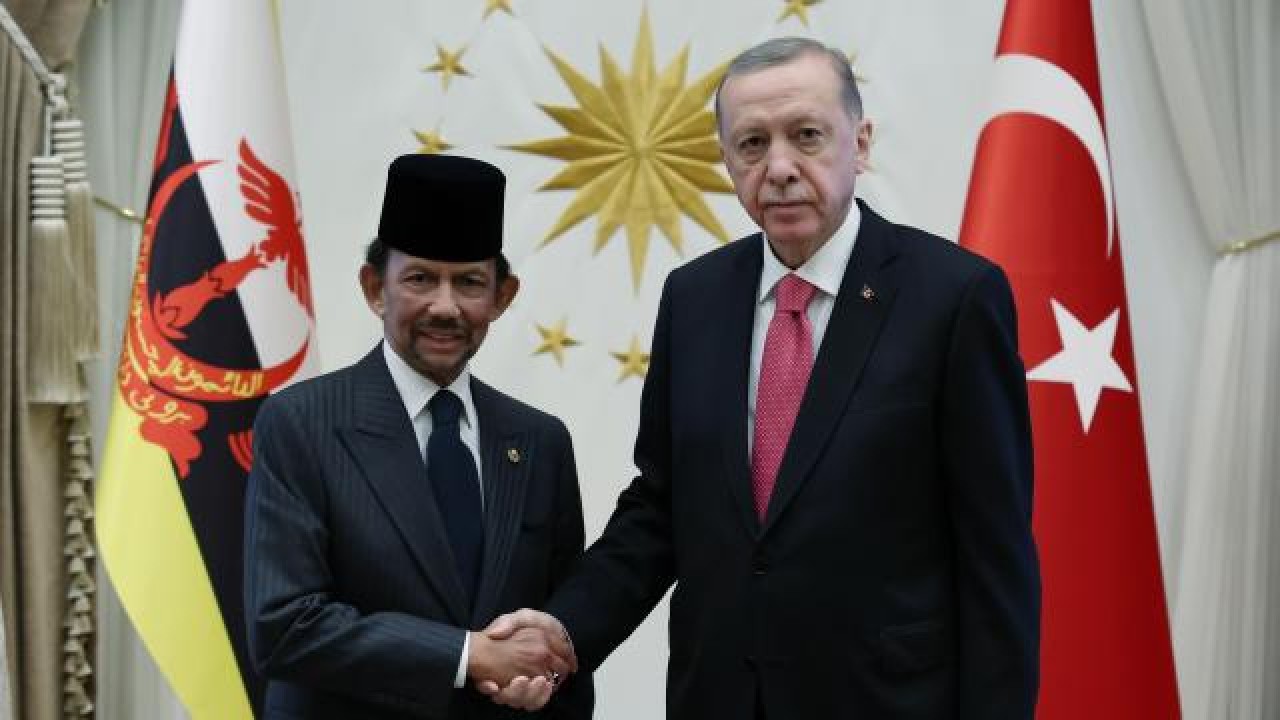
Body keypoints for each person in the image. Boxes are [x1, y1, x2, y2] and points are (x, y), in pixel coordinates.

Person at [483, 36, 1039, 718]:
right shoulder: (694, 298)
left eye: (806, 136)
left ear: (860, 143)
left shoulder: (954, 298)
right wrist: (565, 629)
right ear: (727, 159)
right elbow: (661, 509)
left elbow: (995, 555)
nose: (778, 168)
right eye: (752, 144)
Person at [244, 154, 593, 719]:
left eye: (470, 283)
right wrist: (468, 655)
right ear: (374, 288)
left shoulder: (539, 441)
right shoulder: (300, 423)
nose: (445, 307)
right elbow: (283, 625)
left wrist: (544, 678)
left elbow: (561, 633)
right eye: (420, 279)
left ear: (502, 297)